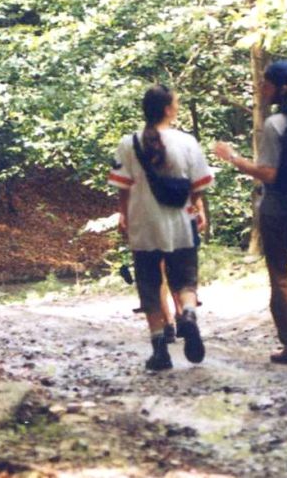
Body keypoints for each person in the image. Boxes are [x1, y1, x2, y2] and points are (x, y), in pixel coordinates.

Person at [214, 60, 287, 366]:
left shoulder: (276, 124)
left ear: (278, 87)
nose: (261, 87)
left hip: (278, 208)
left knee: (280, 277)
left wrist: (233, 158)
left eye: (266, 83)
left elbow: (269, 173)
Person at [108, 85, 213, 371]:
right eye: (176, 103)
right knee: (185, 279)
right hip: (181, 222)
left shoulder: (128, 143)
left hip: (143, 225)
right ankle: (188, 314)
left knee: (149, 285)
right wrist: (199, 209)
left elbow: (122, 187)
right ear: (168, 109)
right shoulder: (187, 141)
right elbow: (198, 185)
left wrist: (123, 216)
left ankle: (160, 351)